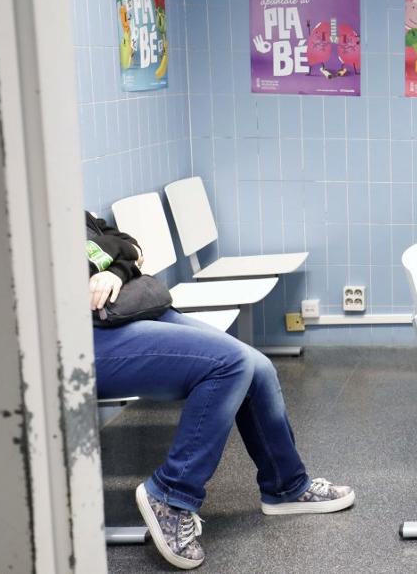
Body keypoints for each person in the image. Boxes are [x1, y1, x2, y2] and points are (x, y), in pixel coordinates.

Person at [87, 212, 354, 570]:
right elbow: (102, 260)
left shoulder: (67, 209)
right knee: (229, 363)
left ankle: (286, 486)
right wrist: (115, 259)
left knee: (256, 365)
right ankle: (170, 495)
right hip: (88, 338)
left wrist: (113, 269)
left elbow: (129, 245)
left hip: (130, 309)